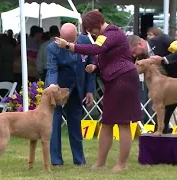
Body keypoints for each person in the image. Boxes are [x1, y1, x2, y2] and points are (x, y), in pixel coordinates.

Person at [54, 11, 141, 171]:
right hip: (113, 81)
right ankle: (100, 163)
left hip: (124, 80)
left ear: (97, 24)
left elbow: (95, 49)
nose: (92, 33)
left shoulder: (113, 33)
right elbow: (102, 54)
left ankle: (121, 164)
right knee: (106, 122)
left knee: (123, 123)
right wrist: (95, 66)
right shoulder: (104, 36)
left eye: (91, 29)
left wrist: (68, 46)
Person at [127, 34, 177, 135]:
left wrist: (164, 59)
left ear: (140, 44)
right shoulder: (142, 57)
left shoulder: (162, 40)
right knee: (162, 115)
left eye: (134, 52)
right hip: (167, 87)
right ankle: (159, 143)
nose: (134, 55)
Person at [46, 23, 95, 168]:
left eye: (72, 41)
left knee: (75, 123)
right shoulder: (52, 48)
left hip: (78, 89)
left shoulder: (86, 42)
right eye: (66, 40)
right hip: (58, 90)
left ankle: (79, 159)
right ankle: (56, 161)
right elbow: (52, 70)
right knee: (54, 124)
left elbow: (90, 67)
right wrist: (53, 86)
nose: (69, 44)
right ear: (60, 37)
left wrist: (90, 90)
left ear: (77, 35)